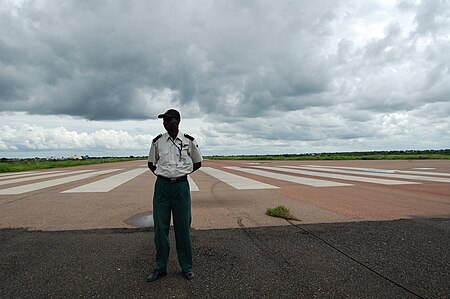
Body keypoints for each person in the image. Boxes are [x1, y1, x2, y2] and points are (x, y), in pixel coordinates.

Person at [146, 109, 202, 282]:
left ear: (177, 121)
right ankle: (161, 268)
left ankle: (187, 267)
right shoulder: (158, 142)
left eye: (168, 120)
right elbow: (151, 163)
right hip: (162, 188)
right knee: (160, 229)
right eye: (164, 120)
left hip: (181, 187)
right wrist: (165, 175)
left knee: (183, 227)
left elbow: (198, 162)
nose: (165, 122)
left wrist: (180, 173)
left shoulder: (188, 141)